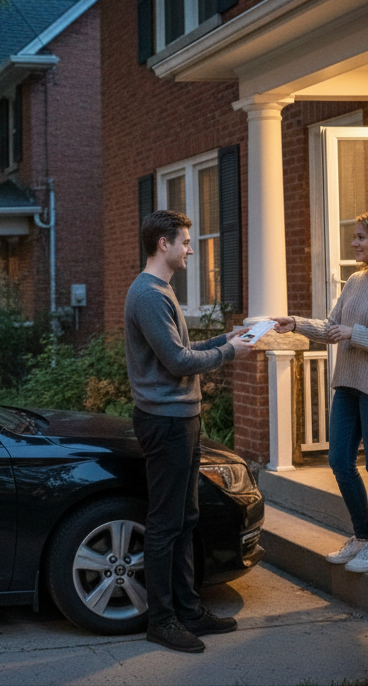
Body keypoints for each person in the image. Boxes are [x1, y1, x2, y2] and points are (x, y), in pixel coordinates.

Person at [125, 209, 252, 653]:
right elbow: (177, 363)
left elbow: (182, 348)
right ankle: (161, 621)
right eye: (185, 241)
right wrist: (231, 353)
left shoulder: (162, 291)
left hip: (182, 419)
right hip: (166, 422)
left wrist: (226, 339)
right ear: (164, 244)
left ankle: (188, 608)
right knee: (164, 523)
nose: (190, 248)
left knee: (185, 519)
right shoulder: (148, 295)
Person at [271, 210, 368, 574]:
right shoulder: (354, 281)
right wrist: (298, 323)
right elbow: (333, 326)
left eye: (360, 238)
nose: (353, 243)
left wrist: (357, 334)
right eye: (354, 237)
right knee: (339, 462)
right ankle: (361, 536)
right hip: (349, 383)